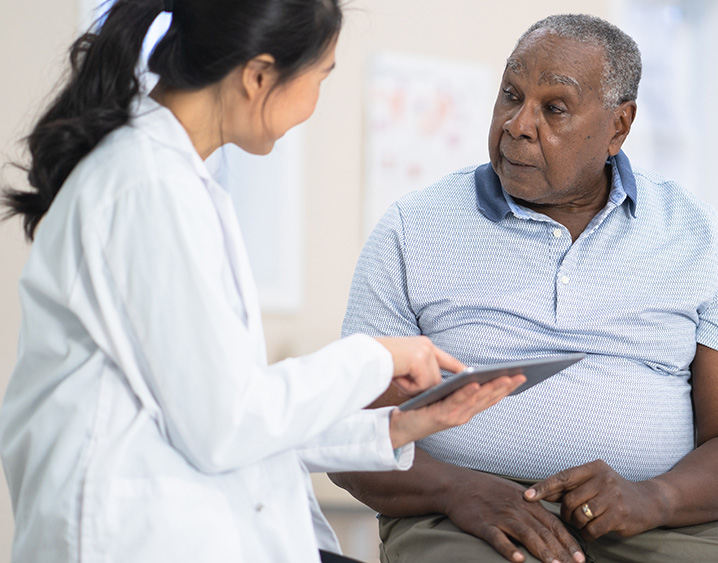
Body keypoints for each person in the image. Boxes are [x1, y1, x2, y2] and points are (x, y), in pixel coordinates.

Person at [0, 1, 524, 562]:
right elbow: (225, 425)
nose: (316, 101)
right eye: (320, 77)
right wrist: (372, 357)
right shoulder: (149, 189)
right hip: (130, 534)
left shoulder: (176, 181)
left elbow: (231, 411)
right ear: (257, 76)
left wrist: (396, 427)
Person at [331, 13, 718, 563]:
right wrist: (456, 489)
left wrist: (653, 498)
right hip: (462, 517)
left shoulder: (702, 241)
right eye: (510, 96)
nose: (518, 124)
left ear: (619, 126)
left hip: (654, 524)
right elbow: (352, 438)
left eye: (553, 108)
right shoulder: (411, 230)